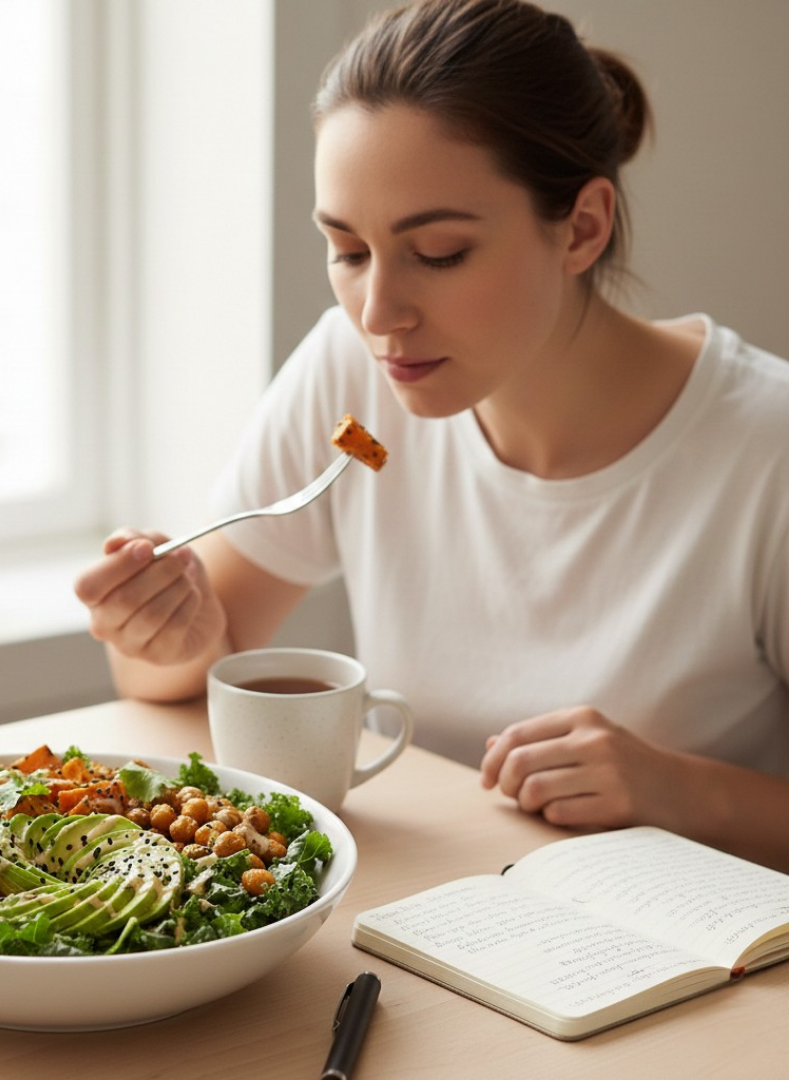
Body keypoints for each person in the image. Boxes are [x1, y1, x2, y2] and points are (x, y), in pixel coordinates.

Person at [75, 0, 789, 870]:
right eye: (348, 251)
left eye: (440, 253)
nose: (379, 314)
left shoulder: (764, 450)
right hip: (422, 916)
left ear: (584, 226)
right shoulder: (355, 384)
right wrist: (167, 635)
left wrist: (677, 789)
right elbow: (168, 680)